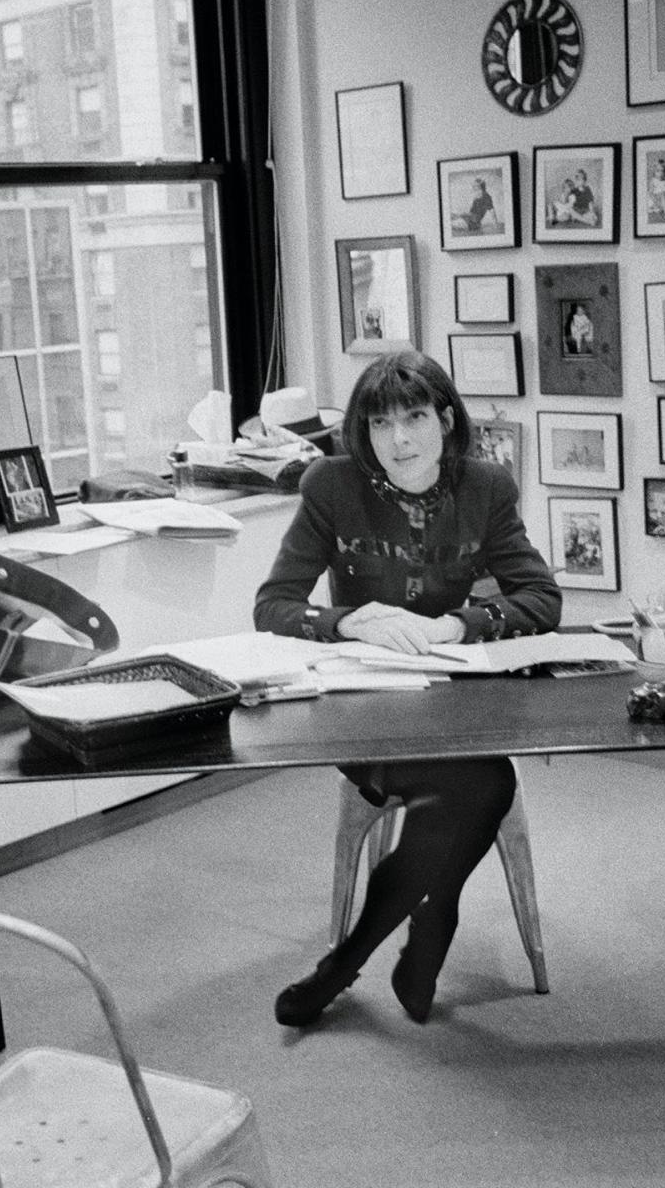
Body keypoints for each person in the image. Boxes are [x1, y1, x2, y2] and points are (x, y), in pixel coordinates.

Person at [253, 350, 561, 1028]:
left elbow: (542, 598)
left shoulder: (485, 487)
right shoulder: (331, 485)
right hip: (362, 708)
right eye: (380, 423)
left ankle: (345, 963)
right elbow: (272, 606)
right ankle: (428, 931)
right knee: (485, 784)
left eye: (415, 418)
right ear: (362, 432)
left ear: (445, 420)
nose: (398, 440)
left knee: (476, 782)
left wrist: (460, 624)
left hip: (450, 702)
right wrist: (344, 620)